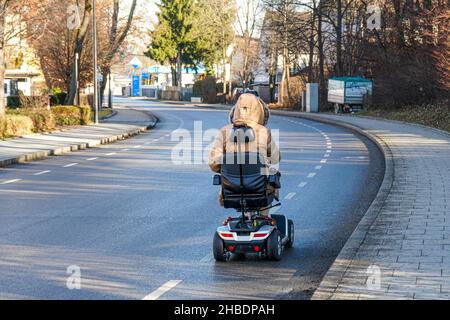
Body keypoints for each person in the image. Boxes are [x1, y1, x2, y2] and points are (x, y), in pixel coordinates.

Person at [209, 93, 281, 215]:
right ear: (259, 111)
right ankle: (264, 218)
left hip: (232, 189)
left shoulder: (224, 132)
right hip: (260, 189)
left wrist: (229, 166)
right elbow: (275, 158)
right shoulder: (263, 131)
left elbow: (213, 163)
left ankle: (247, 218)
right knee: (271, 179)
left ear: (235, 110)